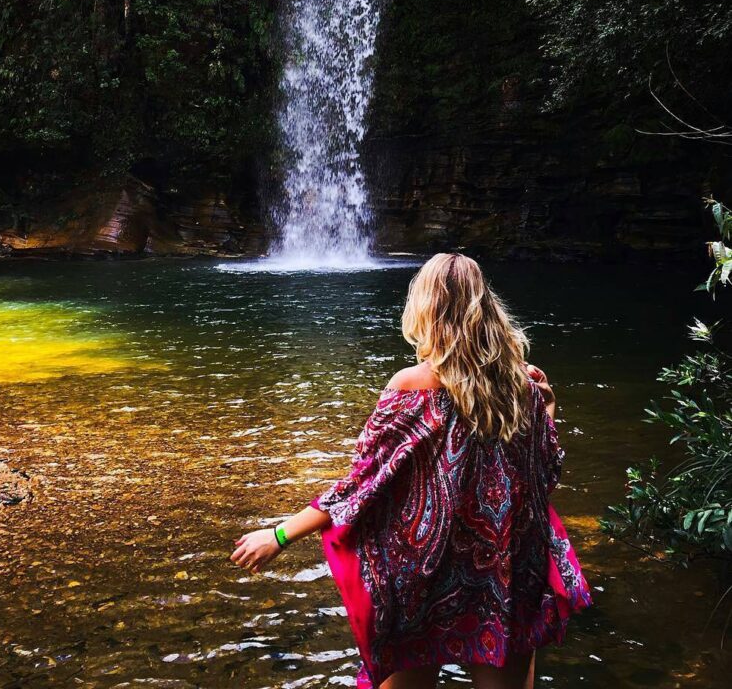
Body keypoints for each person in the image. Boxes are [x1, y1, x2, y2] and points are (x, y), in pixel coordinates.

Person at [231, 253, 591, 689]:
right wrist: (549, 408)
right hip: (506, 571)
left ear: (425, 308)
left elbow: (363, 484)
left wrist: (280, 535)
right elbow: (543, 476)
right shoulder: (524, 386)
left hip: (428, 574)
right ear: (486, 306)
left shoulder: (411, 386)